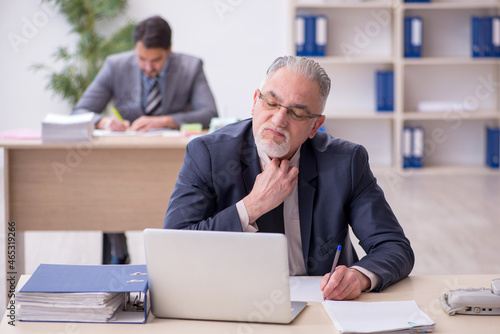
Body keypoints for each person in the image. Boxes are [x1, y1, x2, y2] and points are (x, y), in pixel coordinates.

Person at [163, 56, 414, 300]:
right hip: (236, 299)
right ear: (254, 101)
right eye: (271, 103)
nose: (279, 120)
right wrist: (252, 207)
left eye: (296, 113)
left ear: (315, 126)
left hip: (325, 304)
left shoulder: (346, 161)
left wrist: (358, 277)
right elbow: (174, 244)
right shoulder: (208, 154)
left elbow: (394, 246)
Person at [73, 16, 218, 264]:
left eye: (156, 60)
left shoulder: (190, 67)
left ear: (169, 51)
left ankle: (173, 255)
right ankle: (119, 251)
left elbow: (209, 113)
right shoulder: (115, 65)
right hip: (125, 160)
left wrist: (165, 120)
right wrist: (104, 122)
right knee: (110, 187)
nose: (147, 67)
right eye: (141, 59)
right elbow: (80, 112)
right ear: (135, 49)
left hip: (174, 162)